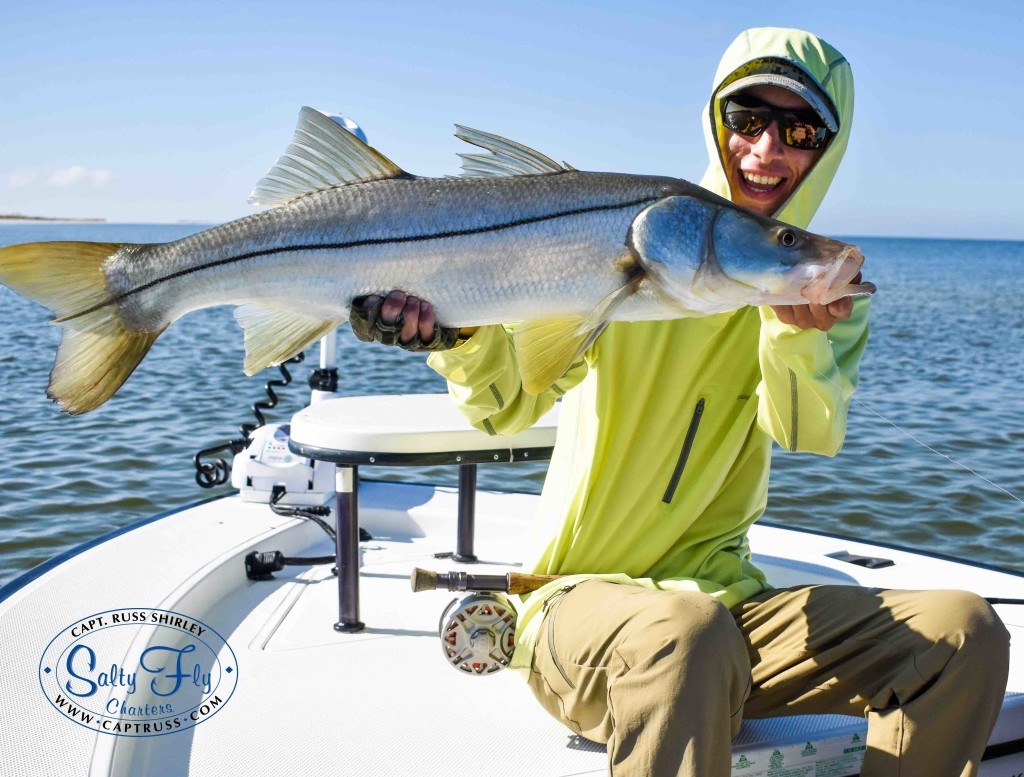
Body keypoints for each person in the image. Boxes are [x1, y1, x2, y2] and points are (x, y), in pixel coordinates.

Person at [350, 27, 1010, 777]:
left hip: (733, 617)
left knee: (966, 631)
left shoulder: (825, 297)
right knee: (685, 633)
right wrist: (455, 338)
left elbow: (805, 432)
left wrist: (791, 333)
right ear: (715, 122)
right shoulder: (620, 247)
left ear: (828, 148)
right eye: (746, 119)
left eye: (798, 130)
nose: (766, 149)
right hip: (580, 610)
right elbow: (504, 409)